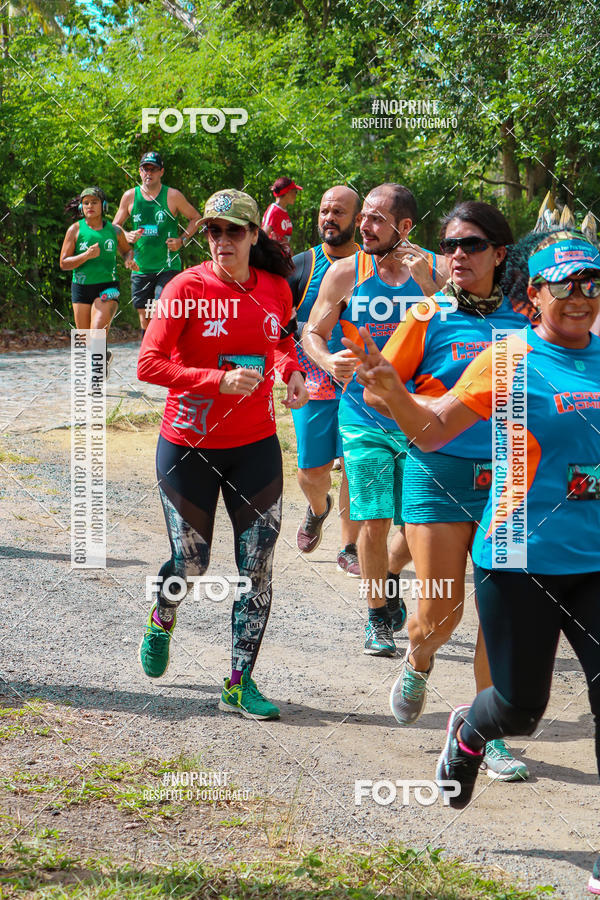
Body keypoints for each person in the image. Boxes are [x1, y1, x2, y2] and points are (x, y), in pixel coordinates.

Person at [344, 229, 600, 895]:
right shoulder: (509, 359)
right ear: (535, 293)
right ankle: (469, 730)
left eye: (591, 282)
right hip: (518, 554)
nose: (579, 296)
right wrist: (391, 390)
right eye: (563, 284)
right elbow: (431, 429)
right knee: (520, 708)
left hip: (596, 559)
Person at [137, 189, 308, 720]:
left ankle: (238, 682)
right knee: (191, 563)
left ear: (255, 235)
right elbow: (148, 365)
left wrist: (293, 372)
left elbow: (280, 342)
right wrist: (217, 380)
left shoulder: (277, 287)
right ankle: (164, 613)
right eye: (213, 230)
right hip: (188, 446)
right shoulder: (185, 287)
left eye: (234, 231)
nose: (222, 240)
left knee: (256, 568)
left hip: (255, 446)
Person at [377, 202, 531, 780]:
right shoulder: (426, 312)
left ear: (499, 253)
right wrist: (414, 406)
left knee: (503, 610)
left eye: (471, 245)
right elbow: (380, 391)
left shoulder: (527, 318)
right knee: (440, 614)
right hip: (437, 473)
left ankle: (484, 730)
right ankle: (418, 659)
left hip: (512, 478)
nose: (458, 255)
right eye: (450, 246)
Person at [303, 183, 448, 656]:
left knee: (417, 521)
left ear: (404, 227)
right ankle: (375, 615)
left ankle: (386, 574)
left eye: (375, 220)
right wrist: (326, 362)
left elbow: (468, 333)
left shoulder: (438, 271)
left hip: (421, 415)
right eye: (362, 217)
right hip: (362, 414)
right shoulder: (346, 272)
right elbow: (313, 331)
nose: (363, 226)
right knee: (373, 516)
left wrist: (432, 288)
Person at [288, 185, 362, 575]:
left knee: (355, 465)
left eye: (338, 212)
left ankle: (349, 546)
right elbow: (283, 327)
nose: (328, 218)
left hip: (362, 387)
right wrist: (290, 372)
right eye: (323, 211)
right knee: (311, 472)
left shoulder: (374, 268)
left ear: (357, 219)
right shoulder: (301, 266)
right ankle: (319, 508)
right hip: (313, 384)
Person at [113, 151, 201, 338]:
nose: (149, 173)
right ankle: (150, 353)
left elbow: (196, 218)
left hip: (167, 265)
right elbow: (115, 227)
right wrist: (126, 235)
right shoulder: (130, 196)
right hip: (141, 266)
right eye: (145, 169)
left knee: (162, 309)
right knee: (144, 316)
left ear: (161, 172)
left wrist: (182, 240)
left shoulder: (173, 195)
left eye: (153, 169)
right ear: (139, 171)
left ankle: (164, 352)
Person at [60, 186, 133, 376]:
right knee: (86, 338)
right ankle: (104, 356)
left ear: (104, 205)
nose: (90, 206)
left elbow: (127, 250)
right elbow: (64, 263)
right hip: (81, 287)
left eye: (94, 202)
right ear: (81, 208)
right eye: (86, 203)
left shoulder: (114, 230)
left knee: (98, 327)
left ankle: (97, 377)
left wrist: (129, 260)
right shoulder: (75, 230)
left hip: (108, 286)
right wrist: (86, 256)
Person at [262, 177, 302, 249]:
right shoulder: (273, 211)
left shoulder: (283, 211)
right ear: (288, 192)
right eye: (295, 192)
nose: (296, 196)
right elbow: (262, 238)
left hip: (282, 258)